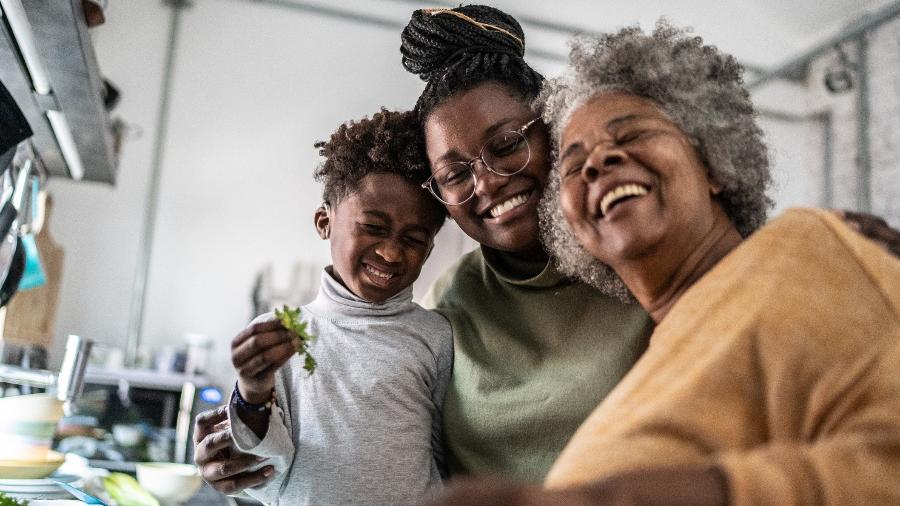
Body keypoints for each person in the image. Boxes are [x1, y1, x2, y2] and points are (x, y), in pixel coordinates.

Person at [193, 5, 900, 494]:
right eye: (454, 174)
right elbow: (375, 447)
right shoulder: (446, 312)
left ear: (550, 131)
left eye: (507, 145)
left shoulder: (650, 265)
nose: (489, 181)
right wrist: (253, 448)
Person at [437, 21, 900, 505]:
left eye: (632, 133)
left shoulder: (806, 250)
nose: (598, 163)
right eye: (574, 165)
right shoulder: (644, 365)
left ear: (714, 163)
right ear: (571, 228)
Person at [222, 109, 453, 505]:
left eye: (414, 239)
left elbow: (447, 460)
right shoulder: (280, 336)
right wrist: (253, 391)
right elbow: (264, 472)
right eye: (373, 228)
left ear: (430, 246)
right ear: (323, 221)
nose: (390, 252)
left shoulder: (436, 337)